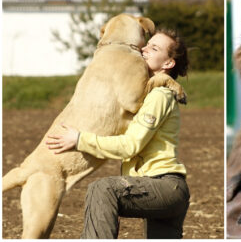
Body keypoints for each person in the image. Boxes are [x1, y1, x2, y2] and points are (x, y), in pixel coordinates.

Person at [46, 29, 190, 239]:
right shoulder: (149, 93)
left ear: (168, 63)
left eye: (154, 48)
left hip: (164, 185)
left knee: (102, 189)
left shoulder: (159, 96)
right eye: (147, 44)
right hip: (166, 189)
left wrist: (80, 140)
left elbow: (130, 145)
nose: (144, 49)